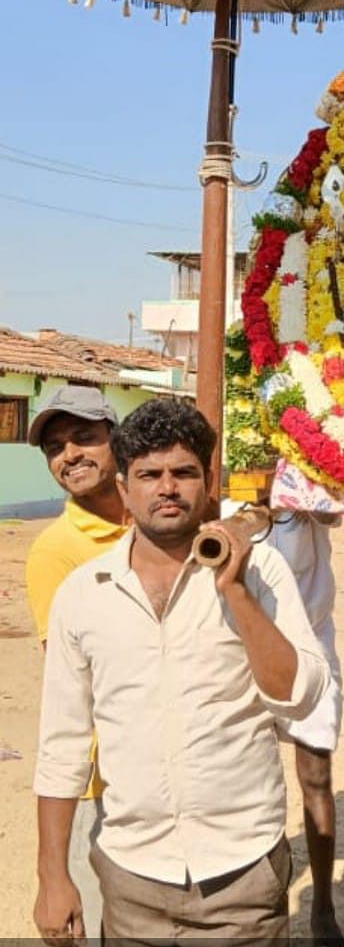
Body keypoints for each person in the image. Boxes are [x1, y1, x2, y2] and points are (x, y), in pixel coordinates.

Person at [33, 398, 329, 945]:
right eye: (148, 475)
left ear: (208, 479)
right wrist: (52, 875)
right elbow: (61, 744)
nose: (166, 488)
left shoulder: (261, 571)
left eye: (183, 472)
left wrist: (235, 591)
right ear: (124, 488)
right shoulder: (83, 593)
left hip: (243, 875)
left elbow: (300, 695)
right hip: (131, 876)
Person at [26, 384, 128, 941]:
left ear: (118, 441)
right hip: (105, 781)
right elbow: (68, 685)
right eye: (55, 447)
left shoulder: (159, 516)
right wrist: (51, 869)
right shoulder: (57, 549)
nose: (69, 456)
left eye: (85, 437)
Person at [269, 511, 344, 946]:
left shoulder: (306, 470)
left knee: (316, 776)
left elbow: (331, 507)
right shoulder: (218, 489)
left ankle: (322, 908)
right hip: (240, 640)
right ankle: (266, 897)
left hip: (311, 641)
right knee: (247, 777)